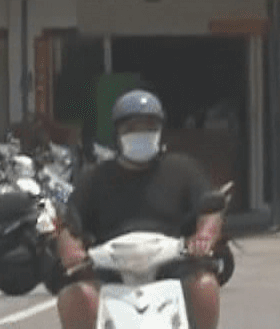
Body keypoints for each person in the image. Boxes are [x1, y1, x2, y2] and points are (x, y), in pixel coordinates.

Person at [52, 90, 229, 329]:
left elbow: (209, 209)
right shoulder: (95, 178)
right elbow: (70, 223)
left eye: (149, 127)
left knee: (204, 285)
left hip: (173, 264)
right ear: (117, 133)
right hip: (109, 269)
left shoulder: (184, 170)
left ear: (160, 130)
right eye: (132, 128)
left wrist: (204, 237)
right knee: (75, 295)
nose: (141, 133)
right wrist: (71, 251)